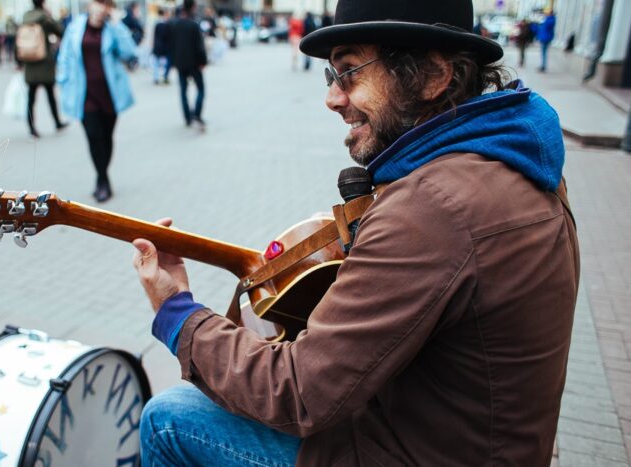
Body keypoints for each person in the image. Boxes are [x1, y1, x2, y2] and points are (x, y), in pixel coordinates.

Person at [131, 0, 579, 465]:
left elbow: (298, 393)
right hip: (479, 440)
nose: (332, 98)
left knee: (169, 417)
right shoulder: (514, 158)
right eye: (331, 76)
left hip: (418, 451)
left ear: (432, 76)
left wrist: (177, 312)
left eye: (350, 71)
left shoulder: (433, 207)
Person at [56, 0, 136, 202]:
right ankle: (103, 180)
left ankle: (102, 177)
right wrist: (63, 81)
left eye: (106, 4)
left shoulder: (113, 29)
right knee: (93, 135)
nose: (101, 8)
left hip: (110, 94)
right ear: (89, 5)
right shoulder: (75, 28)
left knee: (107, 138)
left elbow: (130, 53)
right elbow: (64, 56)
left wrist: (118, 25)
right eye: (98, 2)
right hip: (84, 94)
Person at [22, 0, 66, 139]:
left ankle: (31, 126)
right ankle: (57, 122)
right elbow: (60, 31)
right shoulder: (44, 18)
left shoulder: (25, 17)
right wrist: (50, 16)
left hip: (29, 61)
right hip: (44, 61)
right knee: (50, 95)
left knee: (31, 97)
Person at [168, 0, 207, 130]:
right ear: (193, 7)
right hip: (194, 63)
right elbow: (200, 46)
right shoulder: (194, 25)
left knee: (183, 91)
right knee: (200, 89)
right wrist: (203, 62)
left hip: (180, 63)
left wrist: (173, 62)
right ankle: (196, 114)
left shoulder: (175, 24)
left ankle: (187, 117)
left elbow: (171, 45)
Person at [151, 7, 171, 85]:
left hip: (158, 46)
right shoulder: (167, 24)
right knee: (166, 62)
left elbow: (154, 36)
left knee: (156, 62)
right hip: (165, 46)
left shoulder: (157, 24)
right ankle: (164, 76)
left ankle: (156, 77)